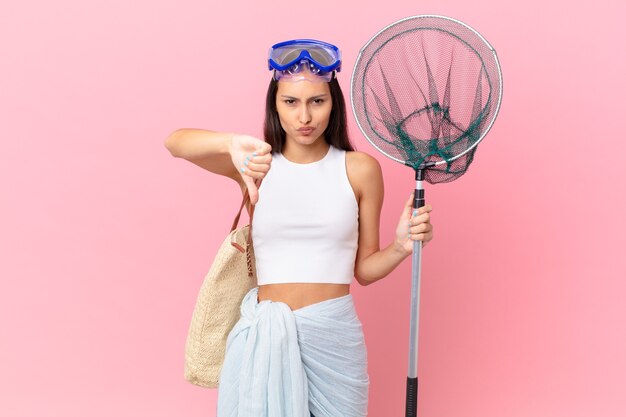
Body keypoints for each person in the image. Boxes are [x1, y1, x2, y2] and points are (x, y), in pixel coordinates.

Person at [165, 39, 433, 417]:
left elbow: (365, 270)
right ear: (275, 104)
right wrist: (231, 145)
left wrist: (401, 246)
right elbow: (175, 143)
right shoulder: (255, 166)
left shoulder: (359, 169)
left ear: (333, 103)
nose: (304, 117)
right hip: (264, 334)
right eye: (291, 102)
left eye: (316, 101)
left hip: (333, 337)